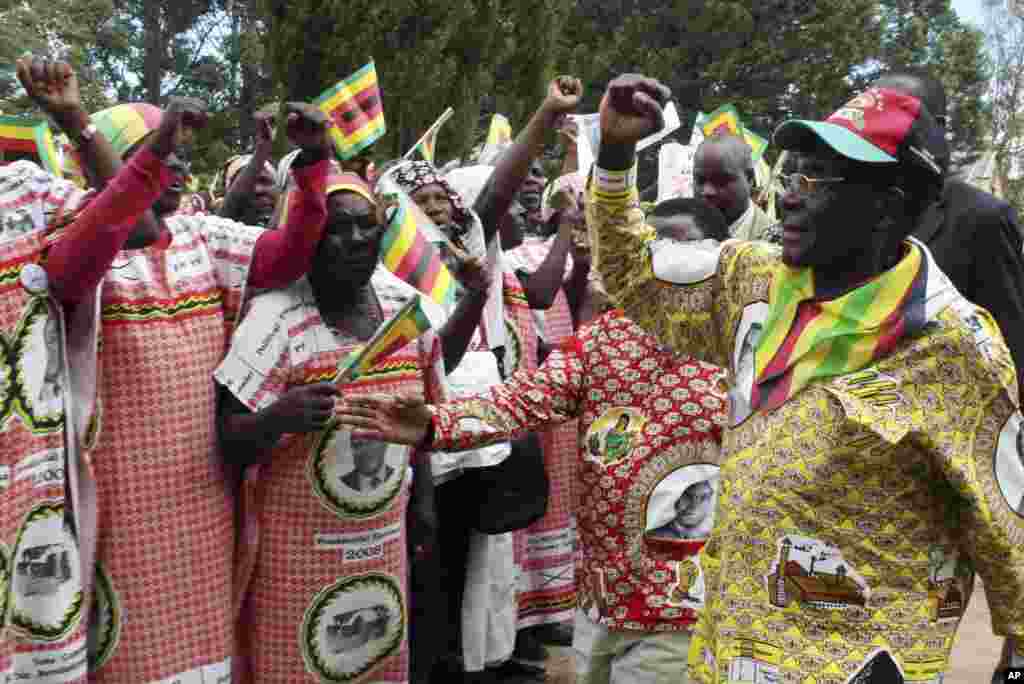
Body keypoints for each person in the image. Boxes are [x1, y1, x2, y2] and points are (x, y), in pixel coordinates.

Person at [587, 73, 1024, 683]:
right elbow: (631, 274)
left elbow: (1011, 527)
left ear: (892, 205)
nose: (789, 195)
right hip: (725, 659)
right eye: (790, 173)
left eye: (818, 179)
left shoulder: (953, 347)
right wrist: (613, 153)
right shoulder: (750, 280)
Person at [7, 56, 337, 683]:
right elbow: (118, 224)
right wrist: (91, 130)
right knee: (131, 658)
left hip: (203, 493)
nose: (177, 162)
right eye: (156, 149)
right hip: (121, 500)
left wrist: (315, 165)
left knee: (206, 654)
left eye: (181, 150)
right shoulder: (76, 242)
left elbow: (292, 254)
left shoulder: (203, 236)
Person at [337, 196, 732, 684]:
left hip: (682, 606)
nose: (665, 258)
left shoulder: (744, 346)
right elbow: (521, 400)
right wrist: (434, 425)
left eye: (682, 244)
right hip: (601, 600)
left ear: (721, 257)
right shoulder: (605, 339)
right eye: (652, 244)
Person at [214, 171, 451, 682]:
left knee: (374, 655)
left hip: (380, 537)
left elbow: (425, 418)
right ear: (307, 236)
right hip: (297, 548)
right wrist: (277, 419)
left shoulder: (407, 311)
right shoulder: (273, 318)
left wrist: (425, 501)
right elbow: (227, 437)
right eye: (335, 230)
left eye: (366, 226)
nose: (355, 241)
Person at [390, 78, 582, 684]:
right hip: (411, 428)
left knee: (473, 550)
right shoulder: (384, 261)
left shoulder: (468, 245)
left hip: (474, 428)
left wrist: (547, 113)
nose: (441, 203)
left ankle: (466, 662)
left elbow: (497, 192)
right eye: (423, 196)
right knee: (419, 556)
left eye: (444, 194)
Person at [874, 68, 1024, 405]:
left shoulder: (981, 219)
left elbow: (1010, 348)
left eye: (896, 113)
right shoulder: (853, 209)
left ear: (937, 129)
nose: (878, 125)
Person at [693, 132, 773, 241]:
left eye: (720, 181)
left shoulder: (774, 245)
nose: (707, 191)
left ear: (749, 179)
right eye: (700, 180)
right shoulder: (675, 237)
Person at [214, 112, 278, 226]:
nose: (258, 190)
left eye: (265, 181)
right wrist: (261, 153)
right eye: (246, 184)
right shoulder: (217, 236)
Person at [647, 480, 716, 541]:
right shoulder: (655, 537)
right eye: (688, 496)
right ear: (675, 499)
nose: (694, 505)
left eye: (703, 497)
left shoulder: (712, 539)